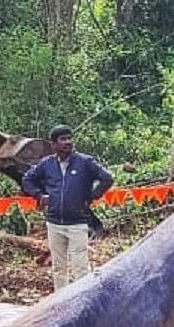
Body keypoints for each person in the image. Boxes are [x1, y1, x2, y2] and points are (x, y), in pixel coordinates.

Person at [21, 125, 115, 291]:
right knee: (58, 267)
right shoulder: (47, 164)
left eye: (69, 138)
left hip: (77, 223)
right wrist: (39, 196)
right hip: (54, 223)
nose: (68, 142)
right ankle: (60, 303)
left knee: (81, 269)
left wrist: (91, 197)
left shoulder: (85, 162)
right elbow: (27, 180)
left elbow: (107, 178)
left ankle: (82, 304)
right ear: (54, 145)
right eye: (63, 139)